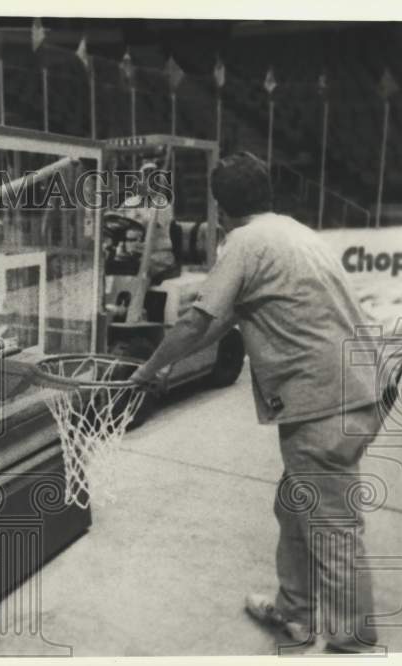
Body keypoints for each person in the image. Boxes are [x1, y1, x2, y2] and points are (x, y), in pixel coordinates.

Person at [130, 152, 383, 653]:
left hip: (322, 403)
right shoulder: (293, 231)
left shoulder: (242, 243)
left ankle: (353, 639)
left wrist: (146, 370)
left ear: (220, 208)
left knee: (331, 525)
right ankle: (294, 611)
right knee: (294, 504)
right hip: (356, 391)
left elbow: (198, 322)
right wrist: (171, 357)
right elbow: (224, 319)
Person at [111, 160, 178, 282]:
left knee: (137, 270)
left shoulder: (163, 205)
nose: (150, 181)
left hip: (157, 256)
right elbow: (117, 219)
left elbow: (149, 225)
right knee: (109, 265)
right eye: (146, 176)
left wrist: (135, 217)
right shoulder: (129, 202)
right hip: (132, 253)